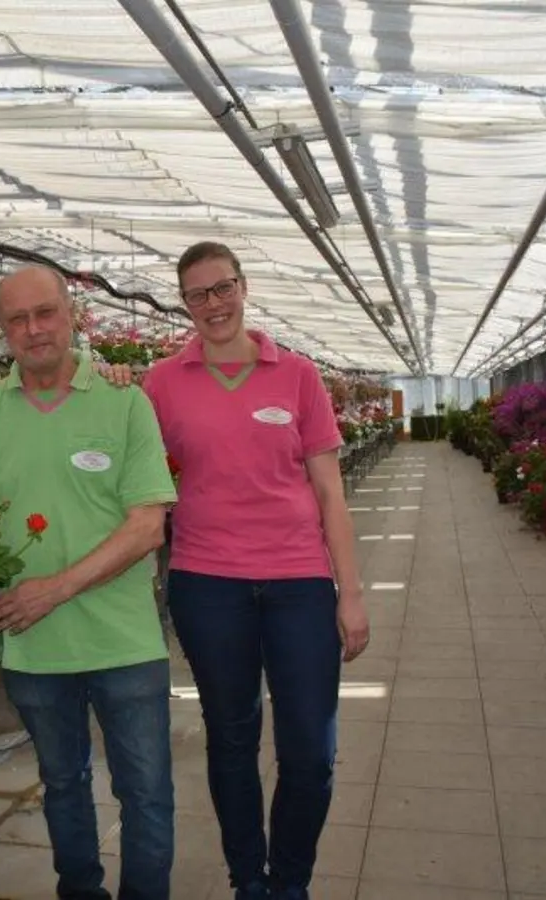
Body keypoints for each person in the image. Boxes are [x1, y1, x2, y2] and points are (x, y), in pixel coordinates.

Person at [99, 242, 371, 900]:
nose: (213, 305)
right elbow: (127, 463)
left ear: (244, 288)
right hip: (207, 582)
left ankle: (291, 882)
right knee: (232, 738)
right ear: (184, 304)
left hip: (299, 581)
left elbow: (330, 492)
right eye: (198, 295)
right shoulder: (163, 382)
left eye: (223, 288)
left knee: (310, 749)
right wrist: (113, 393)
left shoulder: (297, 375)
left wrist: (350, 592)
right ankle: (250, 879)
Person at [0, 265, 180, 900]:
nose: (34, 329)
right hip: (32, 646)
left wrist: (52, 589)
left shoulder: (124, 401)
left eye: (45, 313)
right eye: (17, 319)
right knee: (61, 785)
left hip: (124, 642)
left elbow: (146, 527)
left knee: (146, 794)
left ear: (72, 313)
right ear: (0, 329)